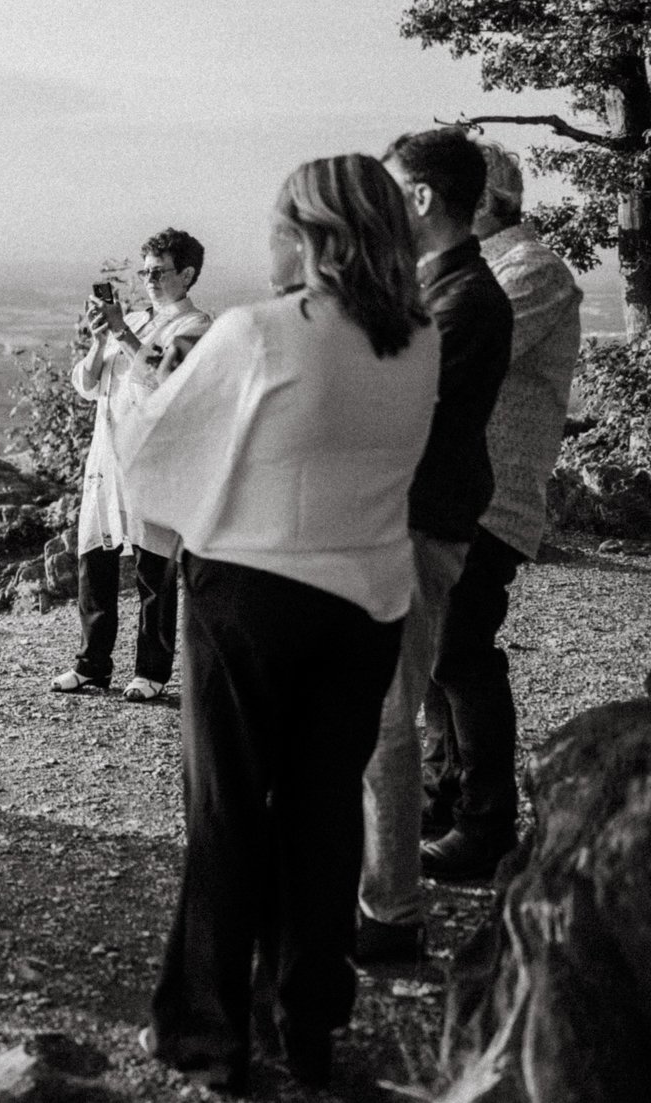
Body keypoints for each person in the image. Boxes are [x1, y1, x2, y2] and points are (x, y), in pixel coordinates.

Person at [117, 155, 439, 1092]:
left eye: (276, 226)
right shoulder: (418, 338)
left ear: (314, 236)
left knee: (227, 812)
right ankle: (308, 1021)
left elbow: (159, 448)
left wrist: (144, 385)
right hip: (369, 599)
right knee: (324, 812)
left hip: (253, 594)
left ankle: (208, 1033)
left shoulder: (260, 333)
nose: (266, 245)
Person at [356, 128, 512, 965]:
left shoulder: (467, 299)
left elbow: (396, 404)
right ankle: (377, 889)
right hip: (401, 518)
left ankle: (393, 908)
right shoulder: (435, 286)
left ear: (420, 198)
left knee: (386, 709)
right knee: (376, 704)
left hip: (419, 523)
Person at [420, 142, 582, 881]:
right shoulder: (481, 269)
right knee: (433, 653)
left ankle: (486, 824)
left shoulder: (532, 271)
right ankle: (441, 795)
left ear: (482, 200)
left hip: (495, 491)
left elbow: (449, 349)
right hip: (455, 486)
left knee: (460, 647)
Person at [49, 228, 213, 702]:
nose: (148, 281)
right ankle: (91, 665)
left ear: (187, 274)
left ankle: (151, 672)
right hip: (109, 455)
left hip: (155, 460)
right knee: (94, 564)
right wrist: (103, 341)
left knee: (153, 570)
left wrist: (121, 333)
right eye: (144, 272)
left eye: (158, 272)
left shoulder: (196, 325)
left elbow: (162, 378)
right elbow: (86, 385)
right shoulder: (136, 319)